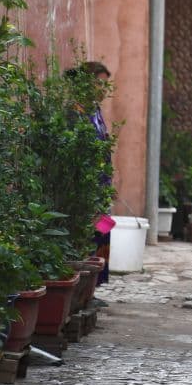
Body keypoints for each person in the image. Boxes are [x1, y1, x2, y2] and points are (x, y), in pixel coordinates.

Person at [67, 61, 114, 286]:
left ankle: (96, 286)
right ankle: (84, 288)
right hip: (84, 187)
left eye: (105, 85)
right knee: (86, 239)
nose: (102, 89)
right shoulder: (74, 112)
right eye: (98, 83)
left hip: (100, 186)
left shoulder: (96, 111)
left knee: (102, 234)